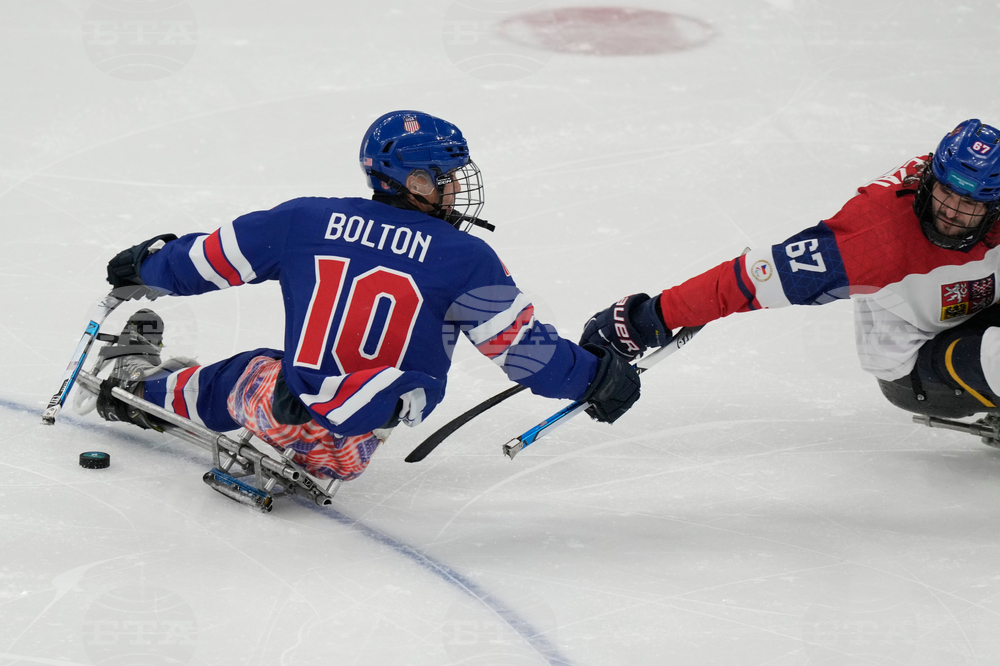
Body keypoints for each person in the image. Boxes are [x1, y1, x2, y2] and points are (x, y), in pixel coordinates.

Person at [95, 110, 641, 481]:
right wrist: (596, 377)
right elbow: (531, 358)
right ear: (416, 182)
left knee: (241, 373)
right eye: (446, 175)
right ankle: (333, 408)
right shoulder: (465, 259)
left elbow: (205, 262)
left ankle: (139, 391)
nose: (457, 186)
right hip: (351, 448)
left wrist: (146, 265)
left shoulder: (303, 220)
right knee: (329, 382)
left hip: (282, 414)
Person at [581, 119, 1000, 420]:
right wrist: (646, 318)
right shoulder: (874, 240)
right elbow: (749, 280)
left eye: (971, 205)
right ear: (930, 179)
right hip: (918, 364)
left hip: (978, 314)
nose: (951, 213)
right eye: (945, 193)